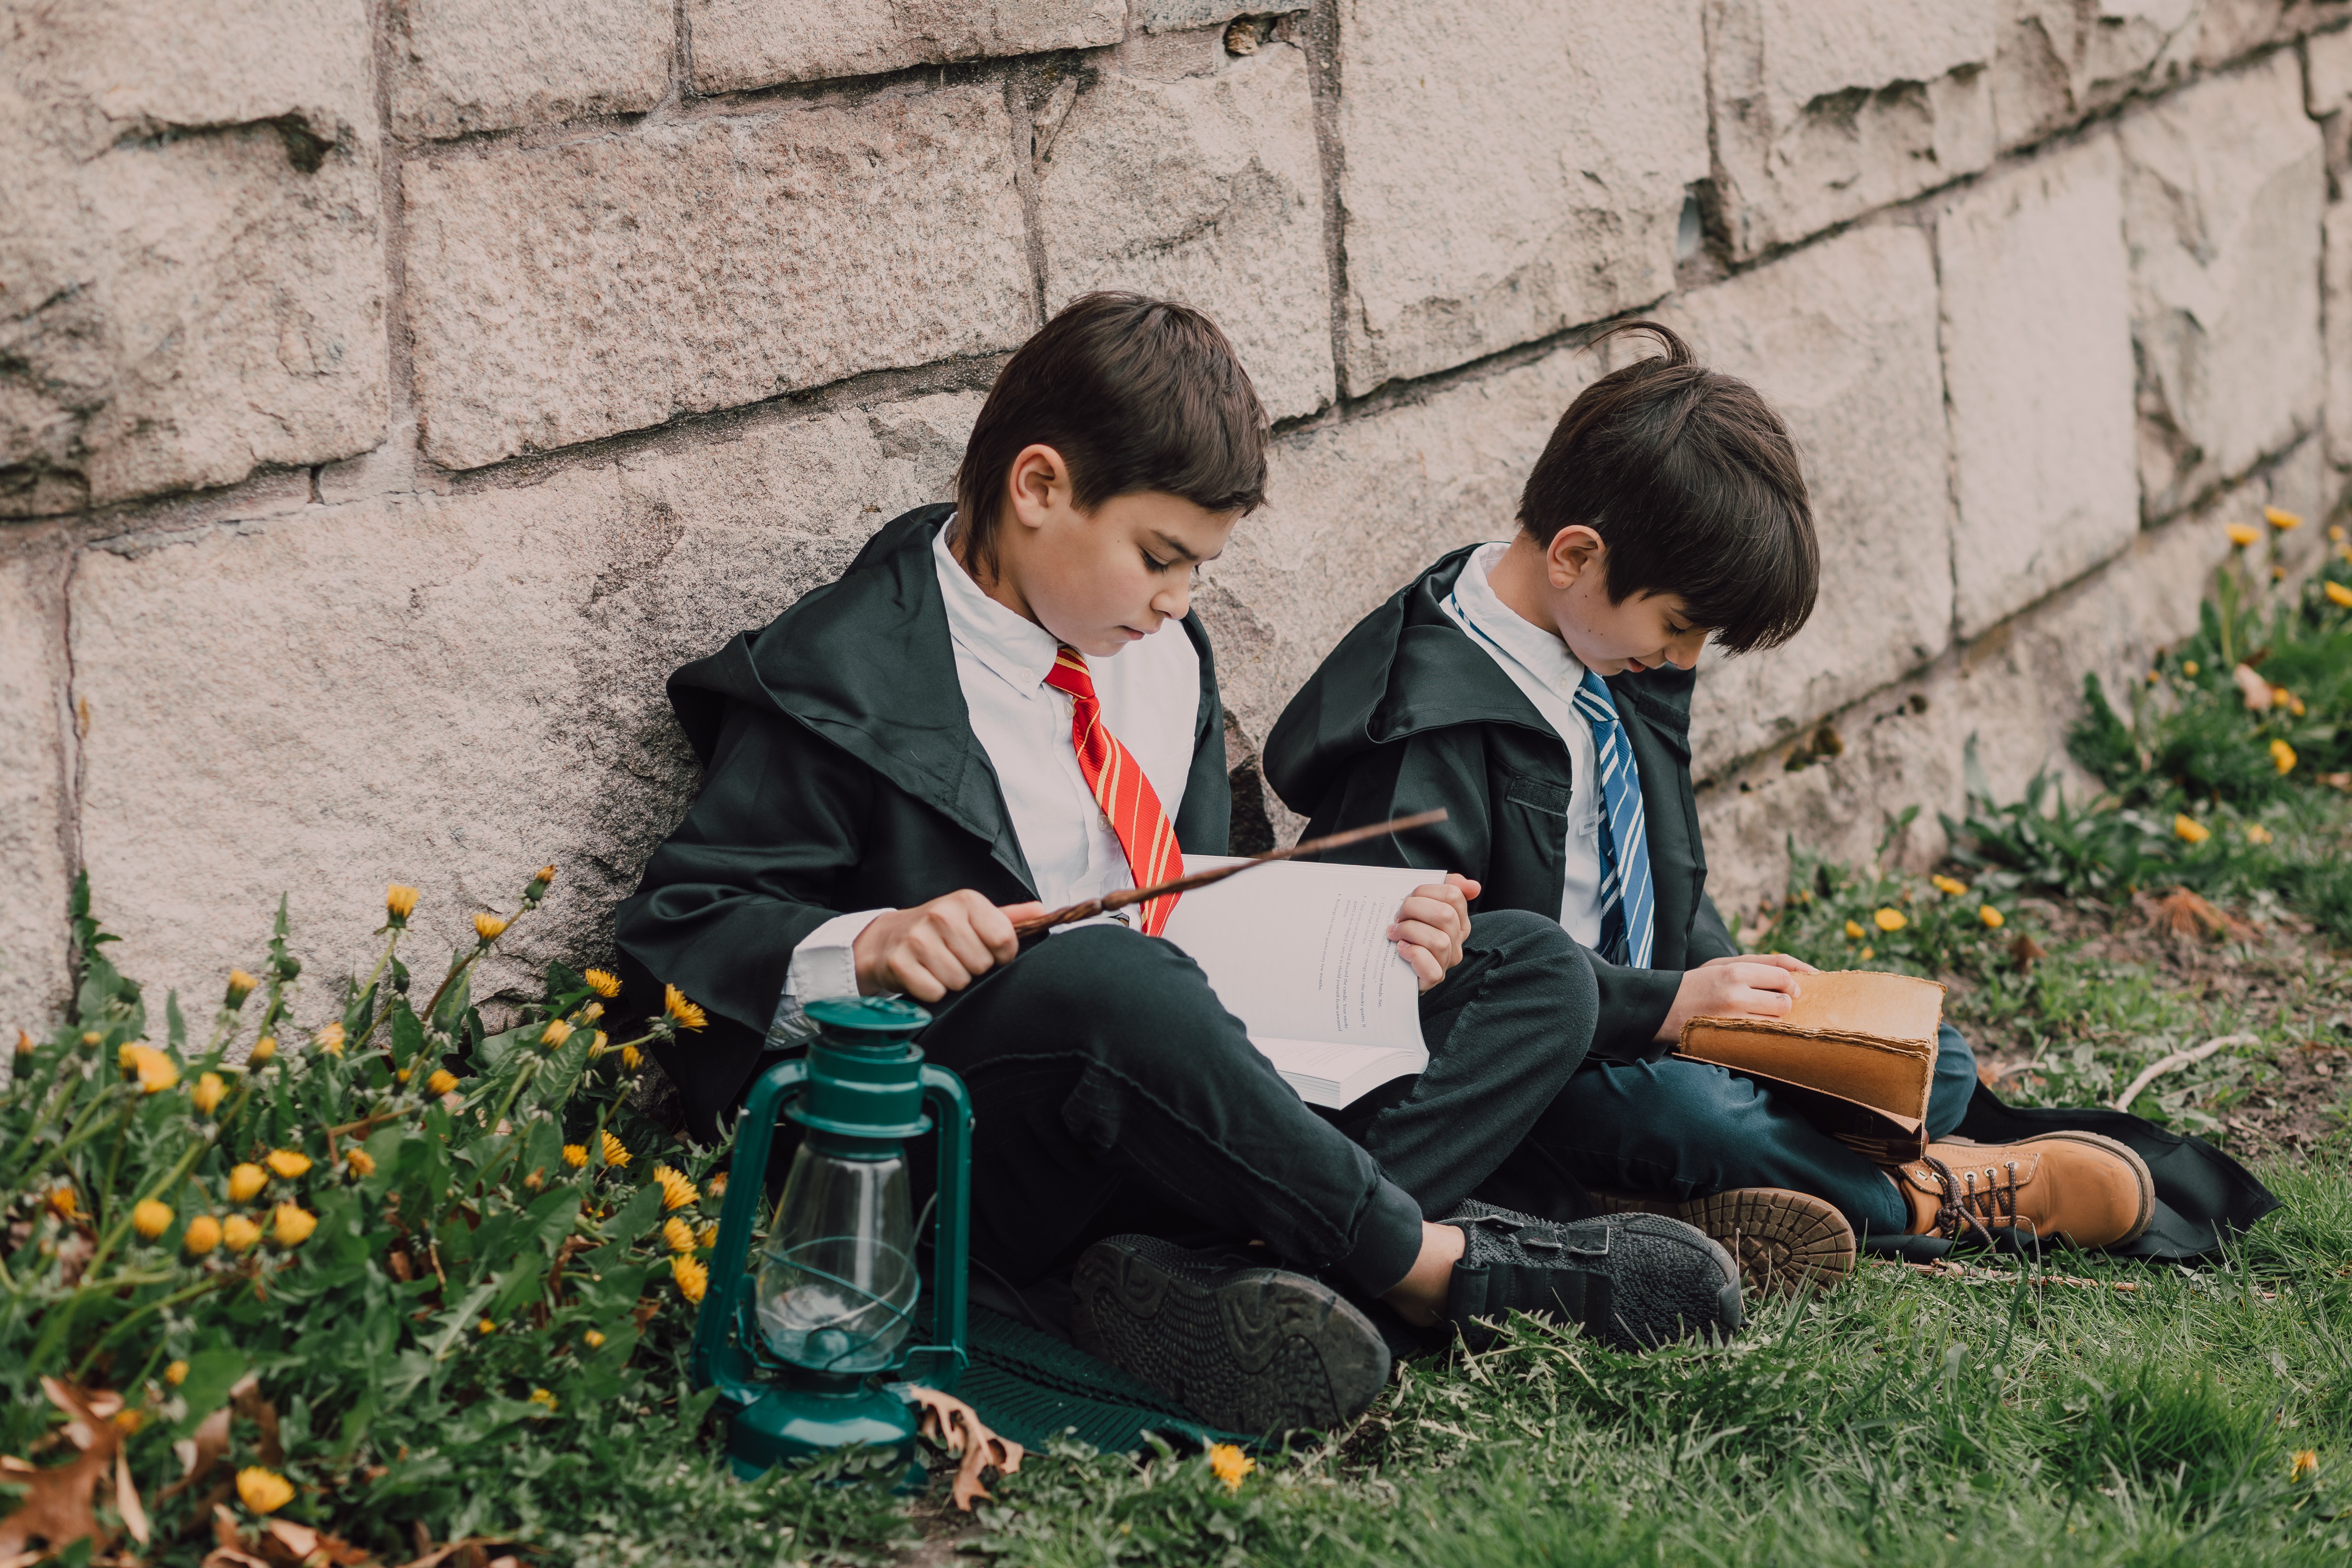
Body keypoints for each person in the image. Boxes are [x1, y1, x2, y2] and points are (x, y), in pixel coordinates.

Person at [614, 295, 1743, 1437]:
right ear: (1040, 487)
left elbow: (1206, 891)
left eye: (1199, 569)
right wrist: (868, 945)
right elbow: (679, 935)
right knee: (1114, 978)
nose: (1178, 603)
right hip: (996, 1137)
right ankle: (1433, 1267)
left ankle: (1218, 1272)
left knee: (1533, 968)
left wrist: (1372, 924)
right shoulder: (840, 677)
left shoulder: (1162, 657)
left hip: (1194, 1099)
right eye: (1160, 559)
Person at [1264, 322, 2160, 1275]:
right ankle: (1922, 1196)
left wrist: (1749, 1005)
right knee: (1692, 1113)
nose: (1684, 659)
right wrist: (1673, 1010)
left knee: (1924, 1064)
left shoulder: (1606, 642)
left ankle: (1717, 1182)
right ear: (1575, 555)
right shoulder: (1428, 726)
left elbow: (1658, 869)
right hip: (1544, 1067)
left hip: (1657, 1011)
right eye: (1682, 625)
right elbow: (1461, 991)